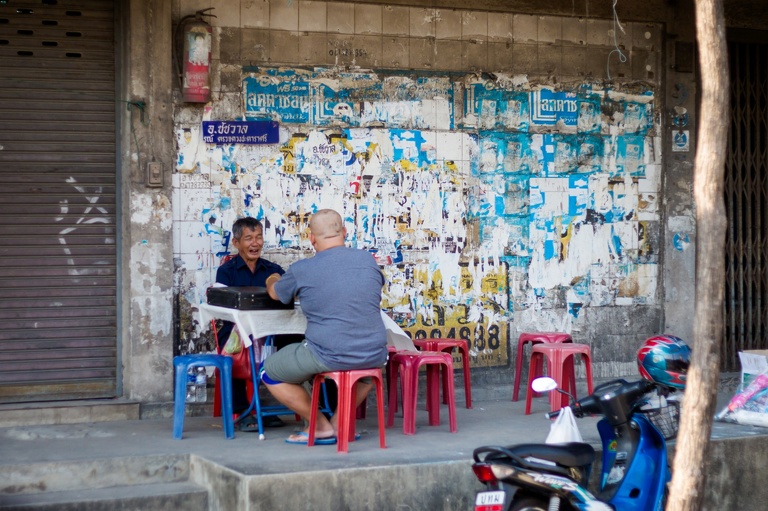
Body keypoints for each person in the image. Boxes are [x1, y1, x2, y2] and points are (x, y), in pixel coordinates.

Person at [263, 209, 388, 445]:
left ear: (312, 239)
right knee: (365, 376)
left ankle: (319, 426)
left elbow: (275, 294)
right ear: (345, 232)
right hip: (375, 353)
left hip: (328, 353)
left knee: (269, 372)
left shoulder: (303, 269)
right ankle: (339, 425)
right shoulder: (367, 261)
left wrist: (272, 278)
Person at [215, 217, 296, 430]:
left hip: (270, 330)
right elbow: (222, 307)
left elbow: (289, 297)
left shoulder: (273, 269)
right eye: (248, 238)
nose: (255, 243)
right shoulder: (226, 271)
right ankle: (243, 411)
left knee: (298, 344)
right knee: (232, 350)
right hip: (237, 330)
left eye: (258, 237)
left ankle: (275, 407)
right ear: (236, 243)